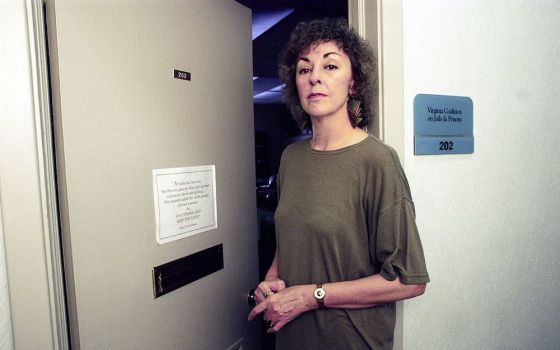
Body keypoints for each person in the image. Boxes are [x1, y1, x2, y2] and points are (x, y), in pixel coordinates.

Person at [248, 18, 429, 350]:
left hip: (350, 340)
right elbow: (292, 232)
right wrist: (273, 276)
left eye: (330, 65)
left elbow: (408, 281)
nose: (315, 76)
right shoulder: (291, 157)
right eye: (304, 70)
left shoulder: (377, 162)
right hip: (292, 336)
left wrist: (313, 295)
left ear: (353, 84)